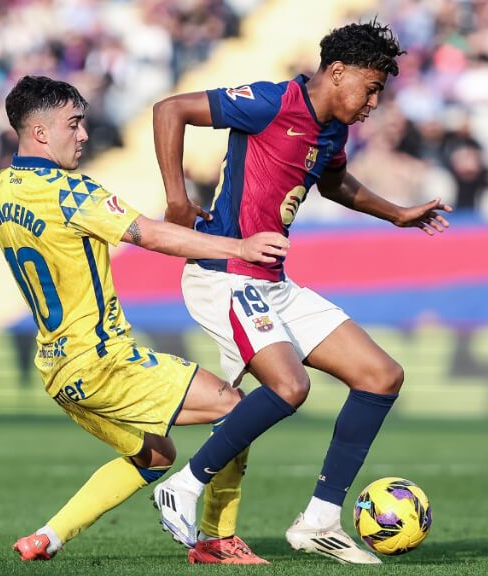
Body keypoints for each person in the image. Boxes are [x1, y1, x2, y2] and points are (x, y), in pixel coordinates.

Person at [0, 75, 290, 564]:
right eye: (73, 124)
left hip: (57, 372)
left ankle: (47, 537)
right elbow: (148, 234)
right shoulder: (70, 192)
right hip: (102, 359)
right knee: (236, 408)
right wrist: (239, 247)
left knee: (154, 456)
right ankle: (218, 540)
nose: (84, 134)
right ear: (40, 132)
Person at [149, 21, 451, 564]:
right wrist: (176, 198)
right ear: (336, 73)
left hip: (271, 282)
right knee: (290, 387)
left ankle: (320, 521)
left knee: (381, 376)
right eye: (370, 88)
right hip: (224, 272)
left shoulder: (332, 130)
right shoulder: (272, 102)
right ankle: (184, 486)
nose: (374, 103)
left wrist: (397, 214)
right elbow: (170, 110)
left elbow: (333, 182)